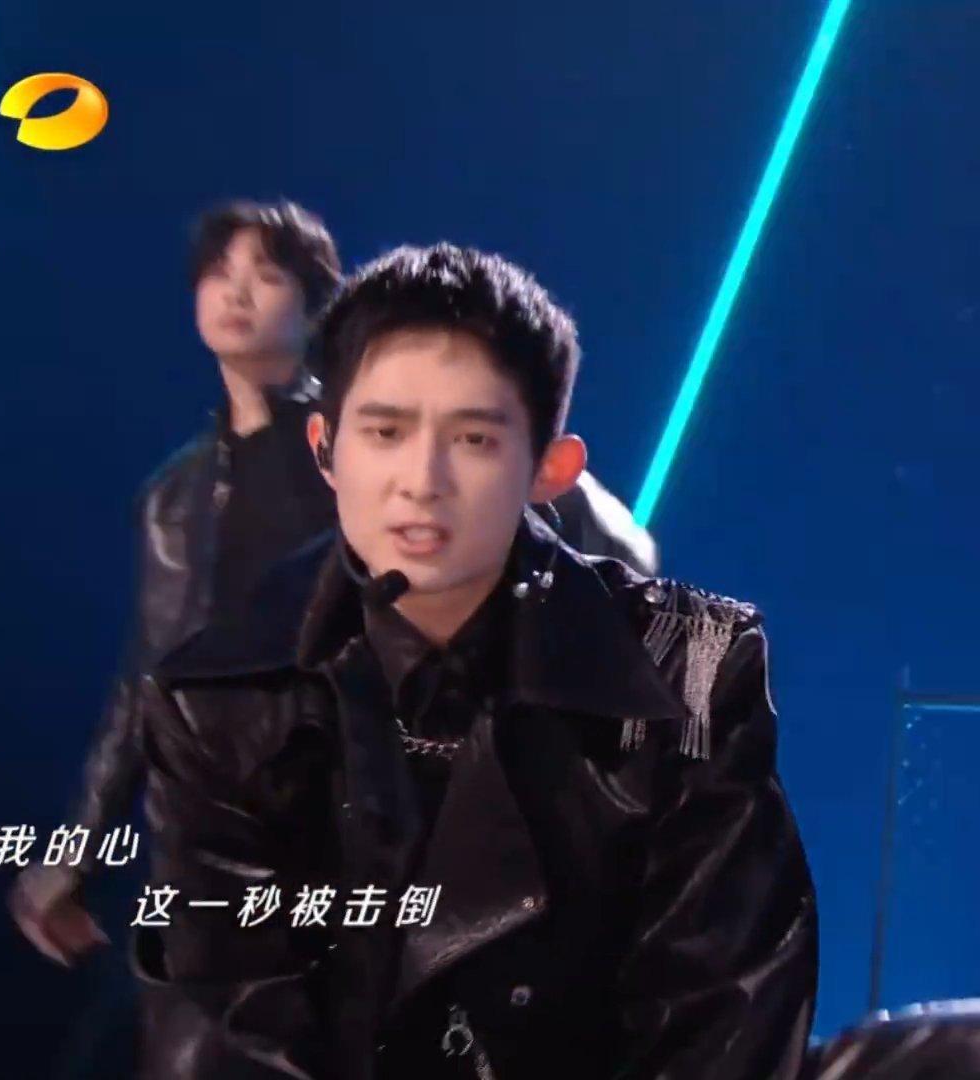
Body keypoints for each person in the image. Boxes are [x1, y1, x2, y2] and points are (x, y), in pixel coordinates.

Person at [134, 243, 815, 1078]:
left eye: (474, 439)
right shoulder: (214, 697)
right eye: (385, 433)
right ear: (326, 449)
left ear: (552, 470)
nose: (421, 481)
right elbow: (227, 1021)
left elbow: (727, 1012)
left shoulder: (691, 670)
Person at [9, 199, 344, 966]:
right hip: (211, 834)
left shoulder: (368, 452)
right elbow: (145, 687)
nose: (237, 290)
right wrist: (74, 856)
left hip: (354, 817)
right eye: (219, 272)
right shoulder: (173, 497)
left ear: (314, 306)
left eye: (267, 274)